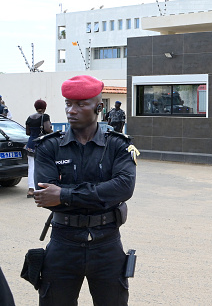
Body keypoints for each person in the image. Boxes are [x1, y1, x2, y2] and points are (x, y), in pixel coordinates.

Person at [33, 75, 138, 306]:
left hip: (106, 243)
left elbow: (123, 188)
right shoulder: (49, 146)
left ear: (99, 107)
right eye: (69, 104)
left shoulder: (118, 145)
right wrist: (100, 194)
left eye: (81, 104)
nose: (72, 110)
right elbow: (45, 197)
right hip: (63, 242)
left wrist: (64, 194)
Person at [25, 100, 53, 198]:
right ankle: (41, 187)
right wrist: (51, 131)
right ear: (44, 107)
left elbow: (27, 132)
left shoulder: (30, 117)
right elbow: (47, 129)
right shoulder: (45, 117)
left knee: (31, 167)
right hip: (41, 144)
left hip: (30, 144)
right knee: (43, 166)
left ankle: (31, 189)